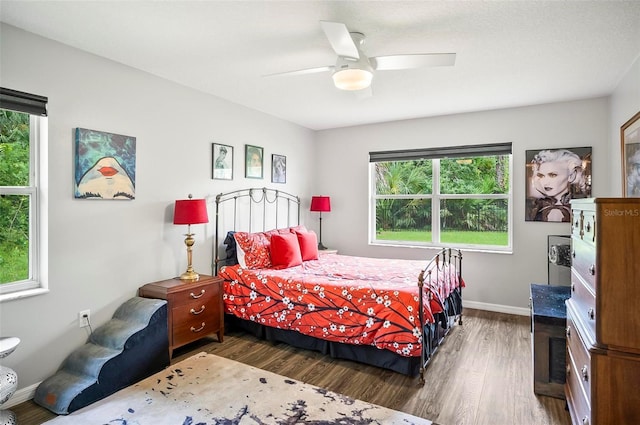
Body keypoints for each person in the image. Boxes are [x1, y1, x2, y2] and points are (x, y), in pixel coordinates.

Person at [527, 149, 587, 222]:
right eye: (541, 176)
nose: (545, 182)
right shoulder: (541, 205)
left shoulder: (557, 212)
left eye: (553, 175)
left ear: (571, 176)